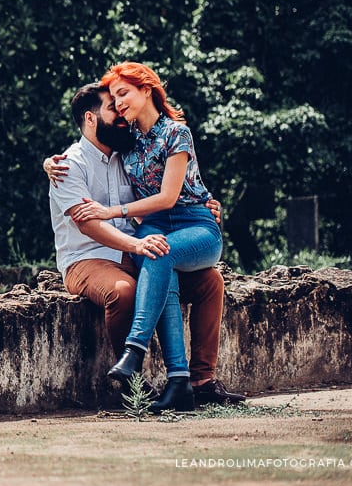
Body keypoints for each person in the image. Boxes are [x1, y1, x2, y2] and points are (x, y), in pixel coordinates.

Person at [46, 80, 245, 410]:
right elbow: (88, 224)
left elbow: (165, 192)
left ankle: (201, 381)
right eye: (113, 108)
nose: (122, 114)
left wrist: (205, 203)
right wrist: (137, 246)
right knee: (123, 291)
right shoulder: (68, 165)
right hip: (85, 258)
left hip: (134, 249)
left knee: (211, 282)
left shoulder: (129, 156)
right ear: (90, 119)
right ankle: (134, 384)